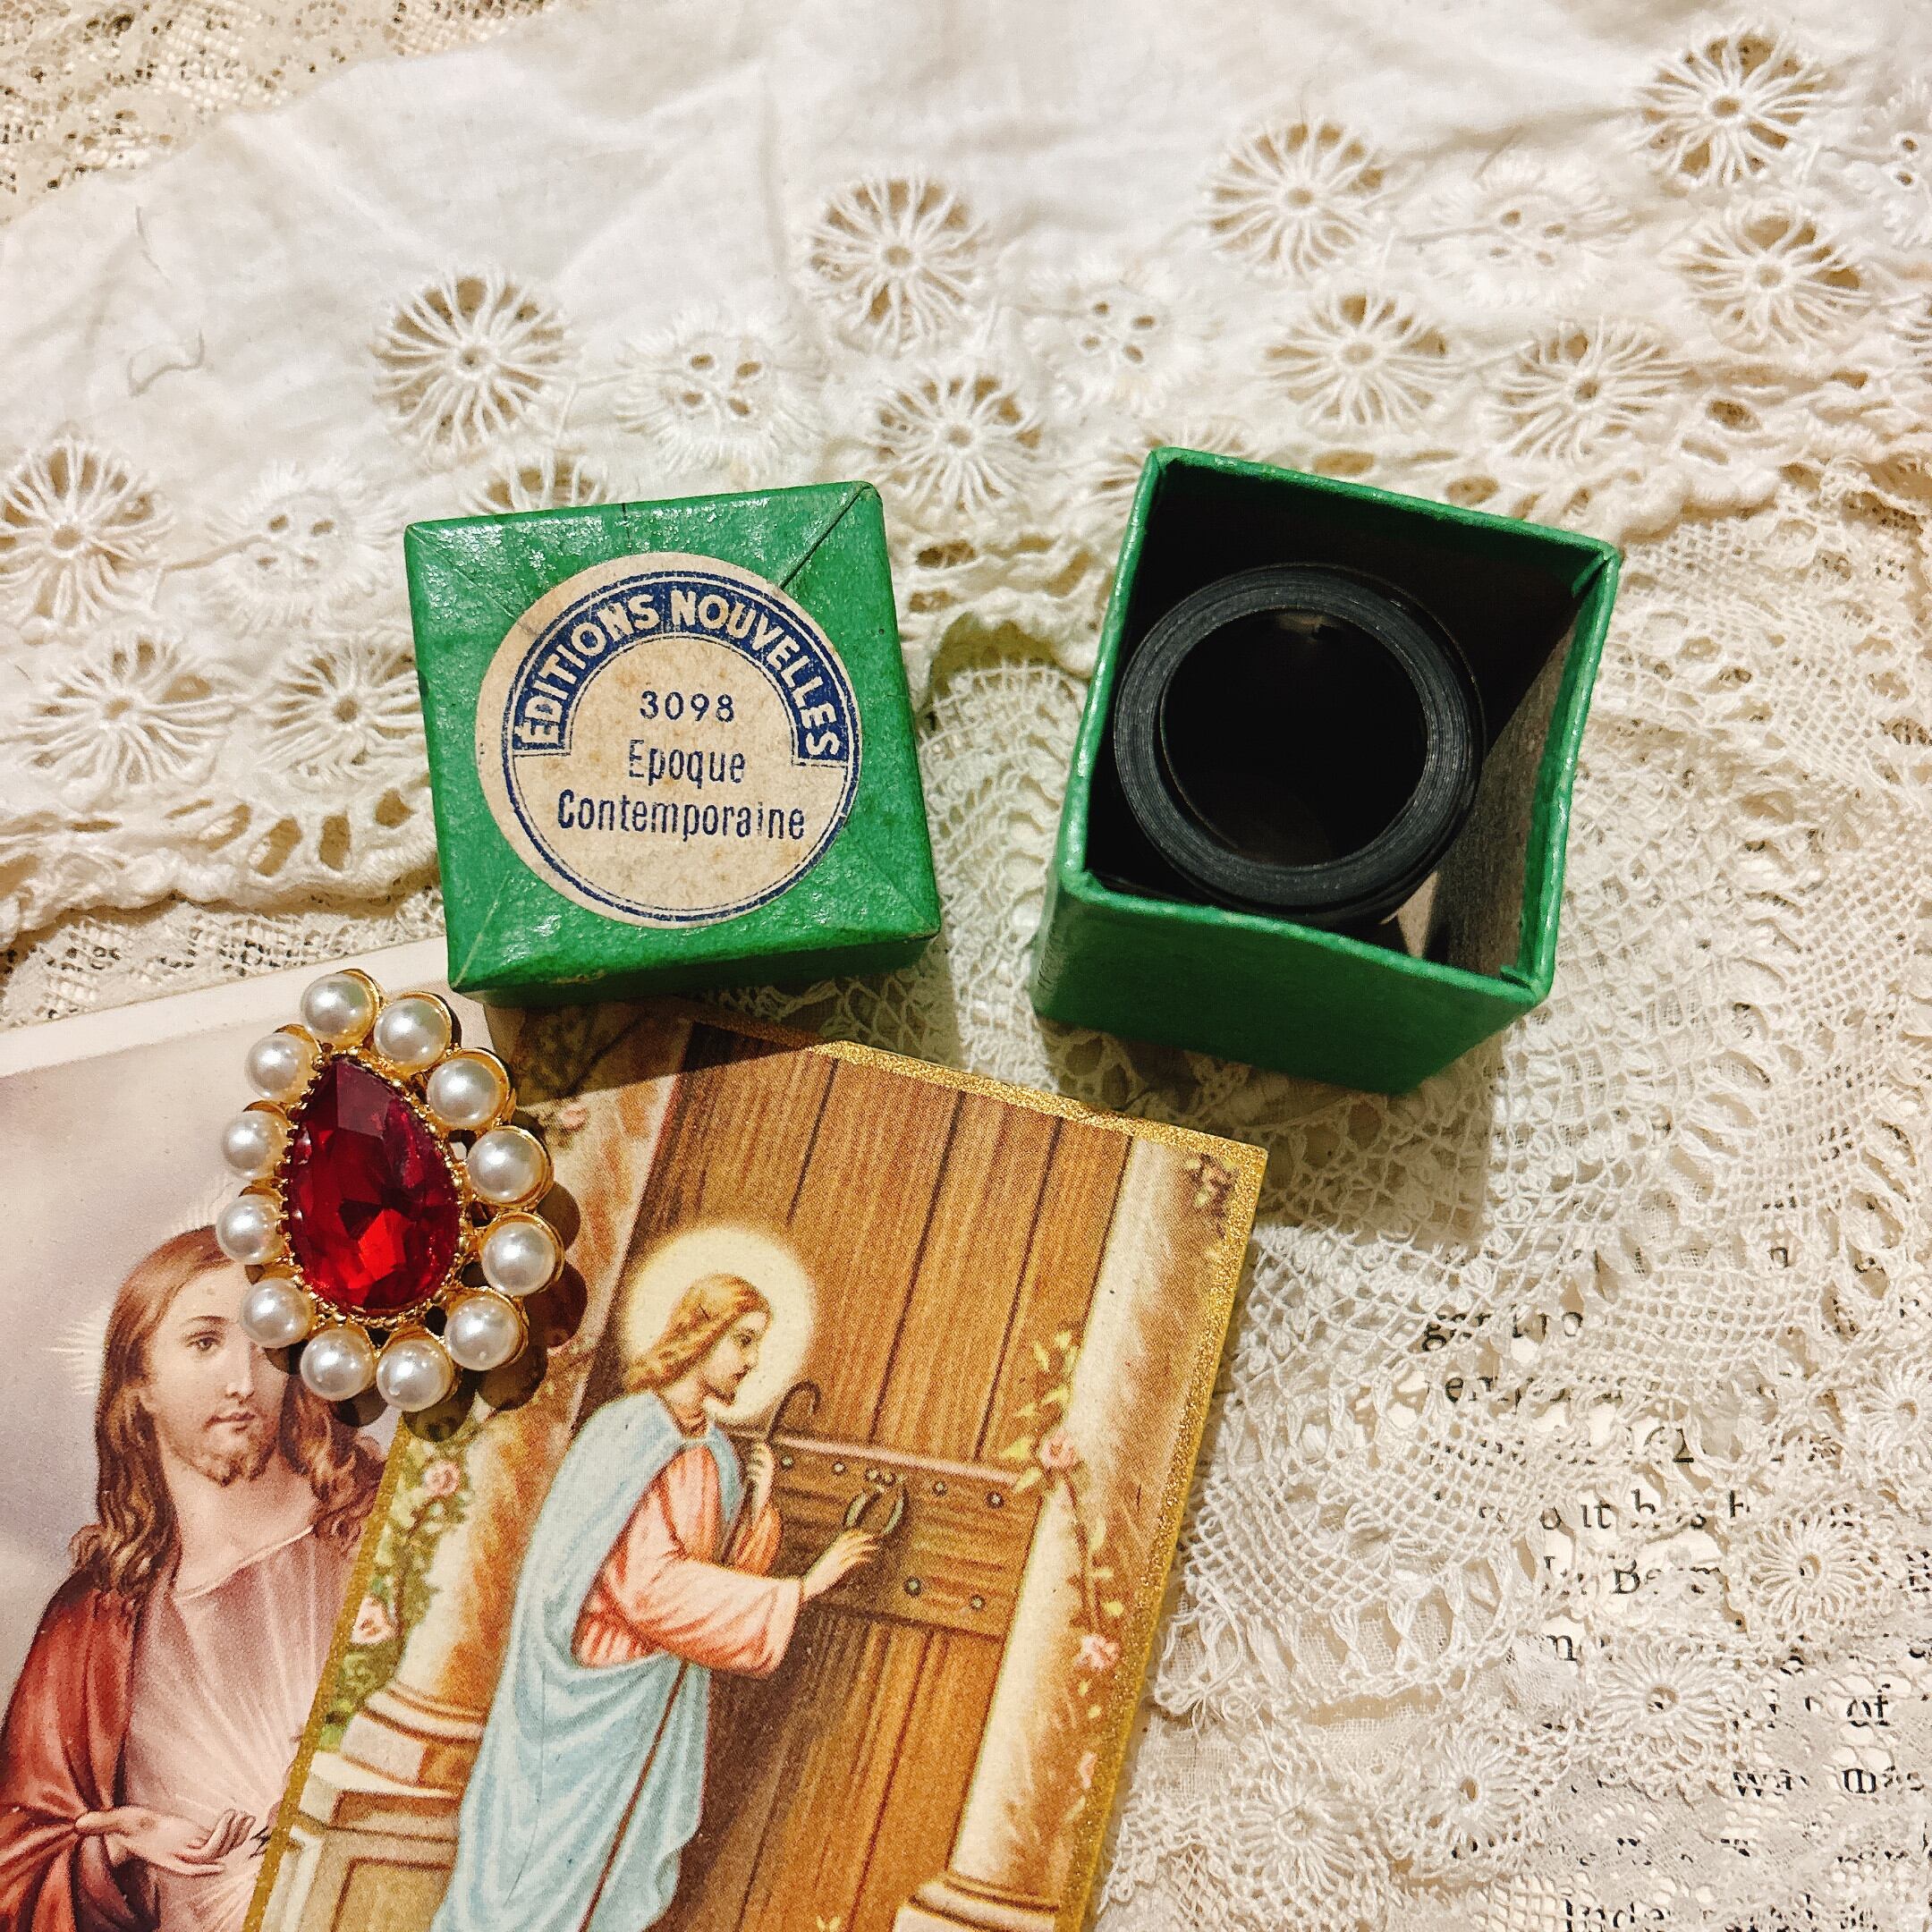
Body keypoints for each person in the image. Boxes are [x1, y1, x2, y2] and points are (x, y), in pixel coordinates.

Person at [432, 1271, 877, 1932]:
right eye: (743, 1340)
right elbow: (646, 1588)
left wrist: (756, 1511)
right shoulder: (627, 1431)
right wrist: (801, 1589)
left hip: (655, 1698)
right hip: (592, 1695)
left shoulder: (716, 1452)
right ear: (701, 1335)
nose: (752, 1361)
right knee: (545, 1877)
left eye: (758, 1344)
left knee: (608, 1877)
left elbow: (716, 1578)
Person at [0, 1227, 381, 1932]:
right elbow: (14, 1870)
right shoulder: (92, 1622)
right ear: (139, 1383)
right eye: (205, 1343)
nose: (242, 1380)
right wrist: (111, 1848)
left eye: (268, 1341)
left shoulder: (379, 1531)